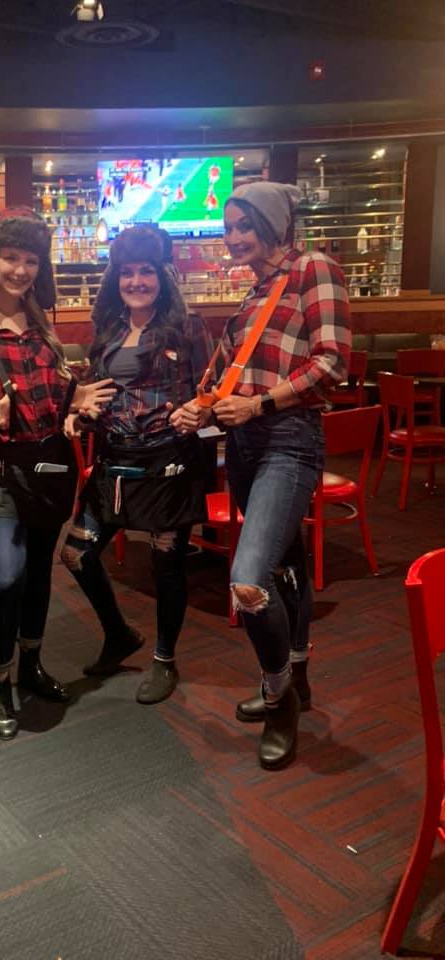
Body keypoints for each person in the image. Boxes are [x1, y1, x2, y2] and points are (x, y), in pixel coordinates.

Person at [0, 207, 114, 740]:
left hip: (49, 465)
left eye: (31, 260)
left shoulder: (41, 321)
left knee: (37, 574)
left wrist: (76, 403)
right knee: (6, 576)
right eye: (11, 257)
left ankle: (31, 666)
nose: (20, 270)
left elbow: (54, 397)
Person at [202, 180, 351, 770]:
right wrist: (203, 404)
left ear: (274, 224)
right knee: (287, 565)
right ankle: (300, 678)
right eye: (228, 227)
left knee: (248, 580)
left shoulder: (314, 268)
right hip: (244, 441)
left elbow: (333, 362)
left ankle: (278, 697)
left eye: (245, 225)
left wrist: (260, 404)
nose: (234, 237)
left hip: (288, 438)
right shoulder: (254, 292)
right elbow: (228, 374)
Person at [61, 225, 215, 704]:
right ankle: (119, 634)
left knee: (166, 567)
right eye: (127, 272)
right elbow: (99, 392)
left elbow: (212, 390)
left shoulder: (189, 327)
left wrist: (200, 410)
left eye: (146, 271)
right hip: (114, 462)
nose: (136, 281)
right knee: (76, 554)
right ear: (116, 279)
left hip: (169, 462)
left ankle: (165, 659)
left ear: (162, 275)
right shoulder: (109, 328)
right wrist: (80, 413)